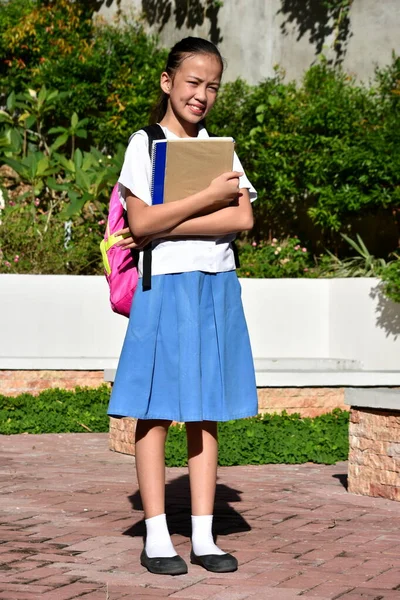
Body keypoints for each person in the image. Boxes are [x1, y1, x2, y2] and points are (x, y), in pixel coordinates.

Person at [107, 36, 258, 576]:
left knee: (205, 409)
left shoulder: (222, 149)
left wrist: (169, 218)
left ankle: (203, 535)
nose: (202, 95)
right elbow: (140, 223)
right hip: (163, 286)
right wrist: (201, 201)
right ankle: (155, 536)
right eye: (193, 82)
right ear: (169, 83)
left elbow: (241, 220)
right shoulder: (144, 144)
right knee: (155, 410)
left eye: (212, 86)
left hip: (216, 284)